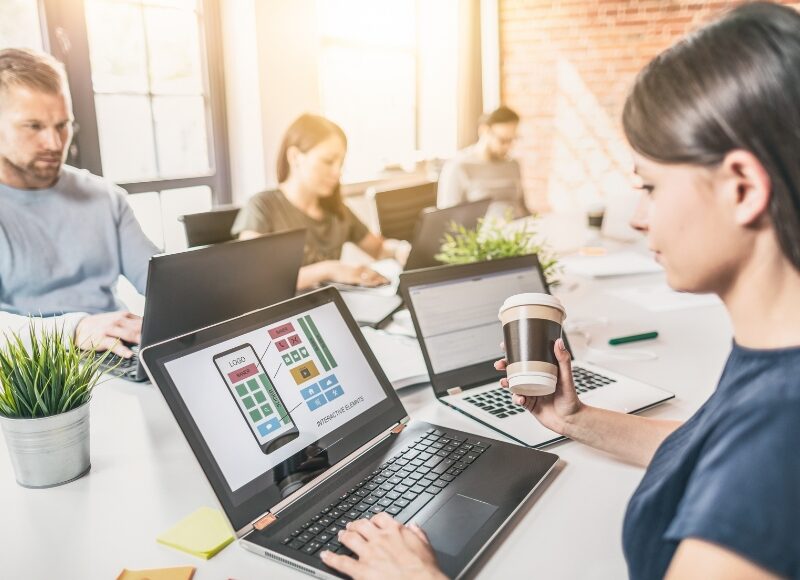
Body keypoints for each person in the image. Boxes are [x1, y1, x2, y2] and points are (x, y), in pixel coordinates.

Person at [321, 3, 800, 579]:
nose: (641, 216)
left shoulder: (779, 438)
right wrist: (575, 419)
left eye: (650, 186)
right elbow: (706, 453)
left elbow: (752, 470)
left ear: (743, 187)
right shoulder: (773, 364)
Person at [0, 48, 158, 358]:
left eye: (63, 125)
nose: (55, 143)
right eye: (33, 126)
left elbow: (160, 282)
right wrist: (76, 329)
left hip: (116, 356)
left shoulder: (106, 197)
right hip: (27, 371)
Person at [233, 114, 409, 290]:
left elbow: (378, 249)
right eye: (328, 161)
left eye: (341, 164)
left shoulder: (337, 211)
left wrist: (399, 249)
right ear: (294, 157)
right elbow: (253, 279)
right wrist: (329, 270)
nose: (337, 172)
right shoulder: (262, 207)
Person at [436, 105, 527, 218]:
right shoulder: (458, 166)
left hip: (518, 231)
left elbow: (522, 207)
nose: (508, 147)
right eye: (503, 140)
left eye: (513, 139)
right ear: (484, 131)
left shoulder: (513, 165)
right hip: (482, 234)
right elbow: (447, 218)